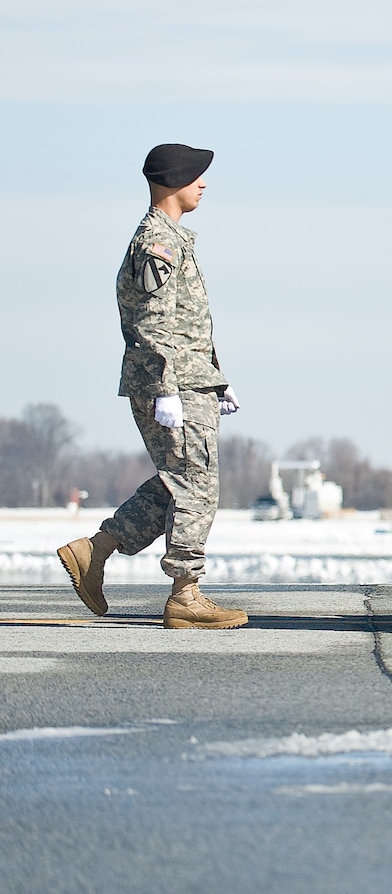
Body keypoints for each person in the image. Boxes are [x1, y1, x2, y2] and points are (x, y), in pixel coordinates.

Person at [58, 144, 246, 629]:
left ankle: (95, 550)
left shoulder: (174, 240)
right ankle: (185, 594)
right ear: (173, 181)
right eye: (196, 176)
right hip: (173, 383)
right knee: (196, 486)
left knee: (177, 482)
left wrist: (215, 379)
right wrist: (167, 388)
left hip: (190, 380)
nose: (204, 184)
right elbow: (152, 320)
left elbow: (187, 323)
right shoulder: (155, 243)